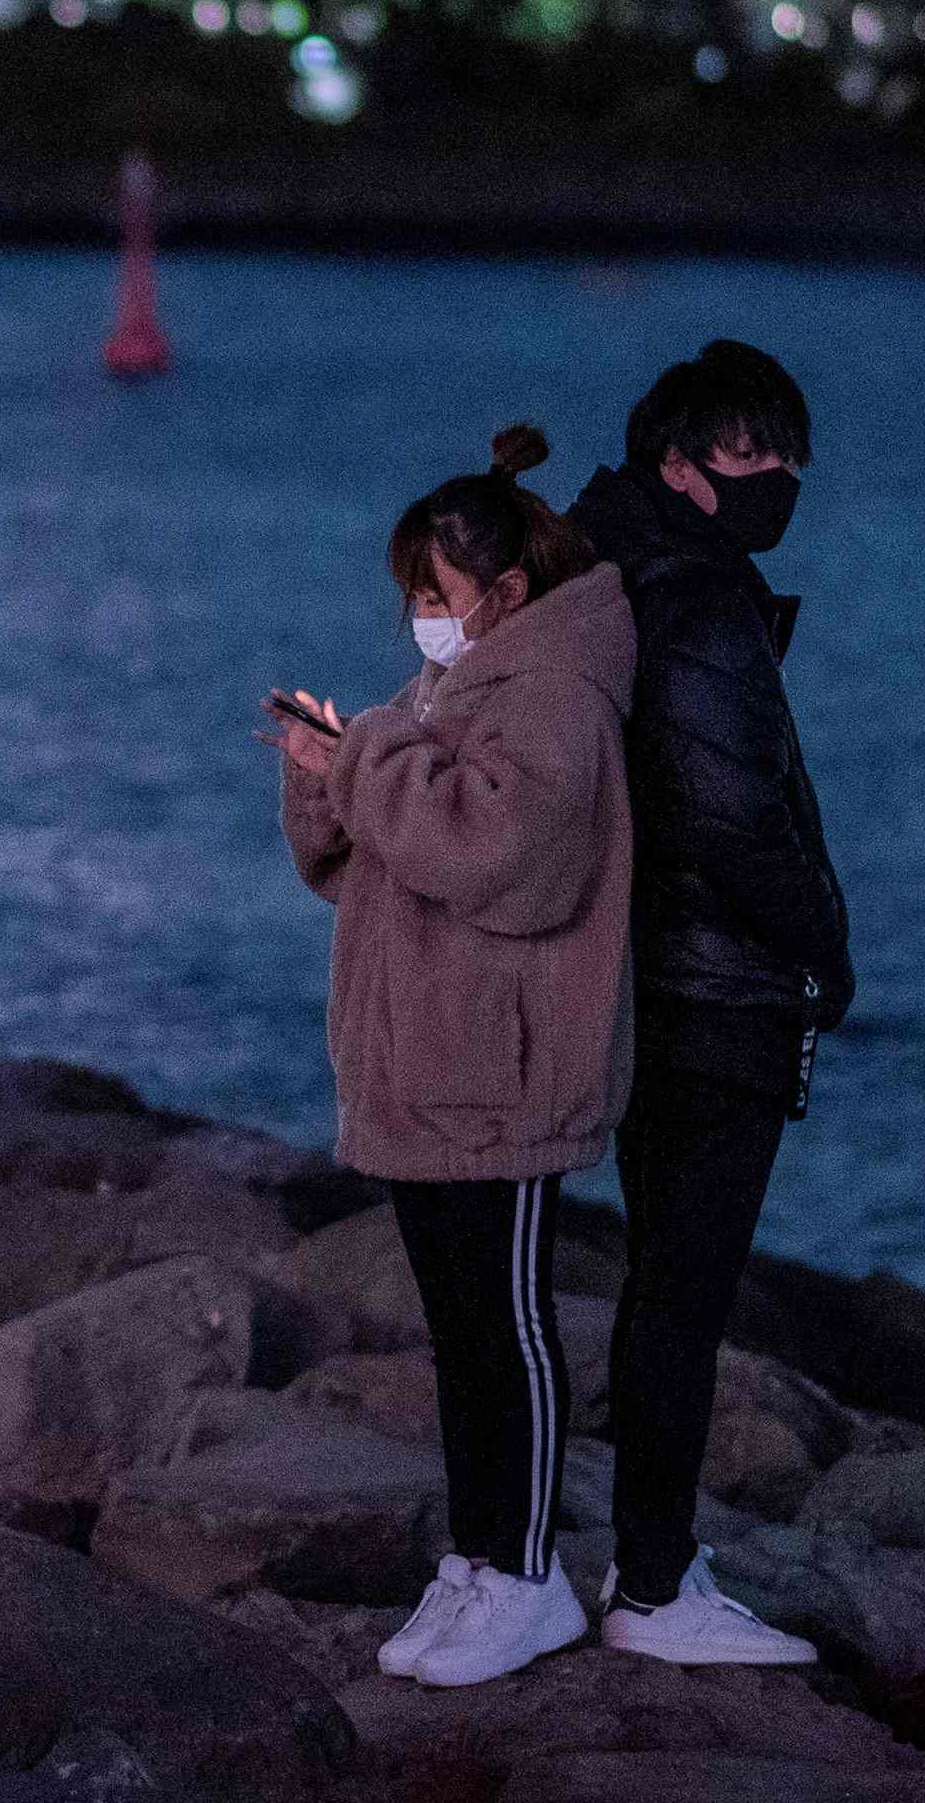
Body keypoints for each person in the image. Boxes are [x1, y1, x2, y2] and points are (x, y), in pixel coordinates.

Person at [264, 424, 635, 1690]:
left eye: (434, 594)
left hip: (503, 1071)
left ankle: (525, 1577)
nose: (418, 618)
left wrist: (360, 757)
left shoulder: (556, 695)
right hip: (427, 1065)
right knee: (459, 1329)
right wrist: (325, 774)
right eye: (410, 598)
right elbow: (374, 867)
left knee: (504, 1328)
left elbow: (497, 855)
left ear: (506, 592)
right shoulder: (452, 690)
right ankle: (479, 1563)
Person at [563, 339, 846, 1669]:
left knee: (658, 1287)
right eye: (746, 453)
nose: (775, 475)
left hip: (644, 977)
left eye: (785, 453)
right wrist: (824, 946)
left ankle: (644, 1561)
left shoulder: (615, 573)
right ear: (676, 466)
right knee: (681, 1294)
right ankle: (654, 1582)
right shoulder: (698, 601)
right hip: (711, 993)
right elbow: (730, 815)